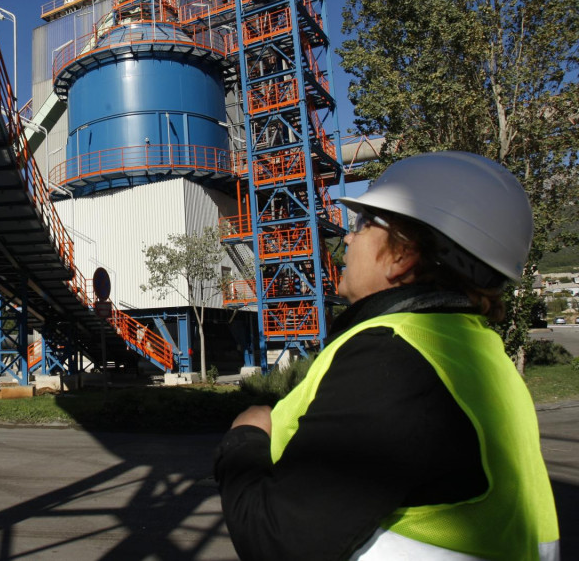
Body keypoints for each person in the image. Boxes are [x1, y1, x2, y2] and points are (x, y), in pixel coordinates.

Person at [214, 151, 559, 560]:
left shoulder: (393, 360)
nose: (347, 237)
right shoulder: (479, 352)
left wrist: (246, 436)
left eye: (362, 224)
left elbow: (277, 541)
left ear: (402, 256)